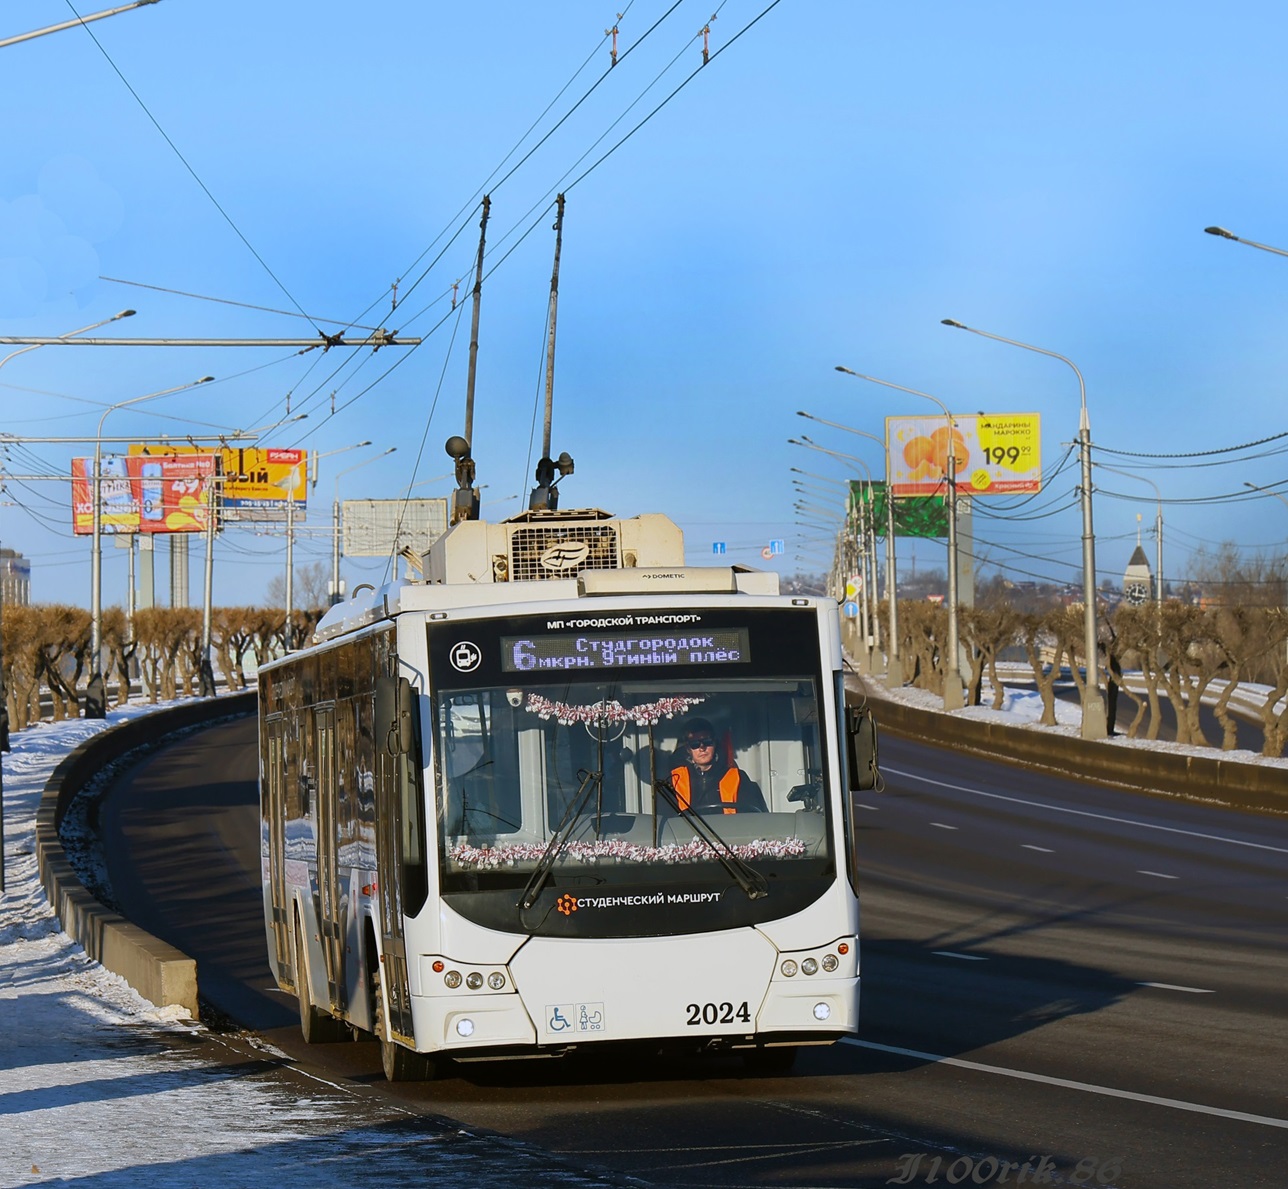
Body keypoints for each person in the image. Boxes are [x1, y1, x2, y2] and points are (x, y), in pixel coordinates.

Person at [667, 717, 766, 814]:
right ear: (688, 749)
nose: (702, 748)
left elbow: (752, 817)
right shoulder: (674, 781)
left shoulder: (738, 777)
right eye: (695, 744)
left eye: (707, 742)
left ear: (714, 743)